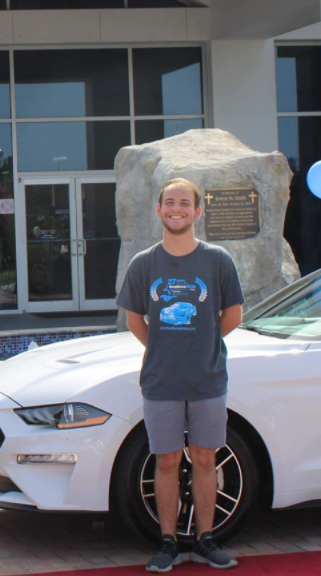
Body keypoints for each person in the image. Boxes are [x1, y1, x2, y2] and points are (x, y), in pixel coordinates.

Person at [117, 178, 244, 573]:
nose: (176, 209)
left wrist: (200, 341)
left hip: (208, 380)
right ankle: (168, 542)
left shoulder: (218, 260)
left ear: (197, 211)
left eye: (184, 203)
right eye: (169, 202)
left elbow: (233, 315)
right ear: (159, 210)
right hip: (161, 382)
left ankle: (206, 540)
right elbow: (134, 318)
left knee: (206, 459)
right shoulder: (144, 263)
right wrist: (163, 347)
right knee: (167, 461)